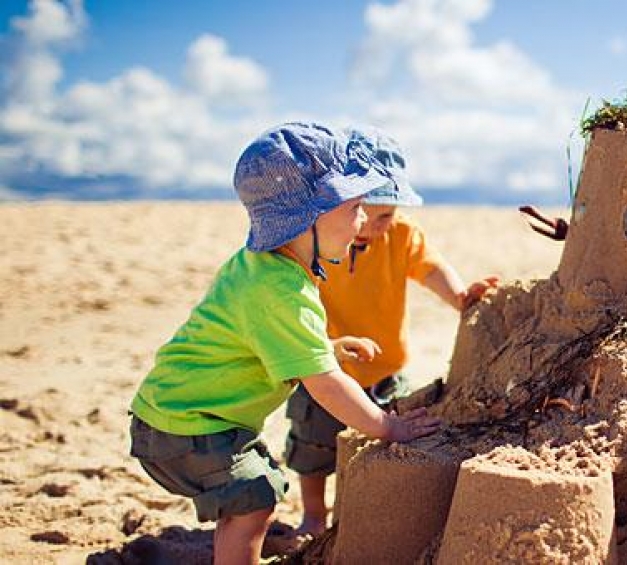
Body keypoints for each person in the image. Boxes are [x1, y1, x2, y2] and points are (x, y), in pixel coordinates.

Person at [128, 122, 442, 565]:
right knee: (254, 495)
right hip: (185, 427)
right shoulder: (281, 291)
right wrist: (390, 428)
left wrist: (325, 346)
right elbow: (326, 386)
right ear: (307, 218)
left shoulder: (263, 266)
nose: (362, 221)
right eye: (354, 207)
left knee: (255, 490)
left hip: (173, 414)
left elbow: (262, 338)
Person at [284, 126, 498, 536]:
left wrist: (458, 296)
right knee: (312, 446)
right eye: (365, 211)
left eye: (387, 214)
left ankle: (363, 512)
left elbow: (428, 267)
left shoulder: (400, 236)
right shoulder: (320, 238)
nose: (375, 224)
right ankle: (313, 515)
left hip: (386, 369)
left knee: (391, 439)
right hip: (322, 365)